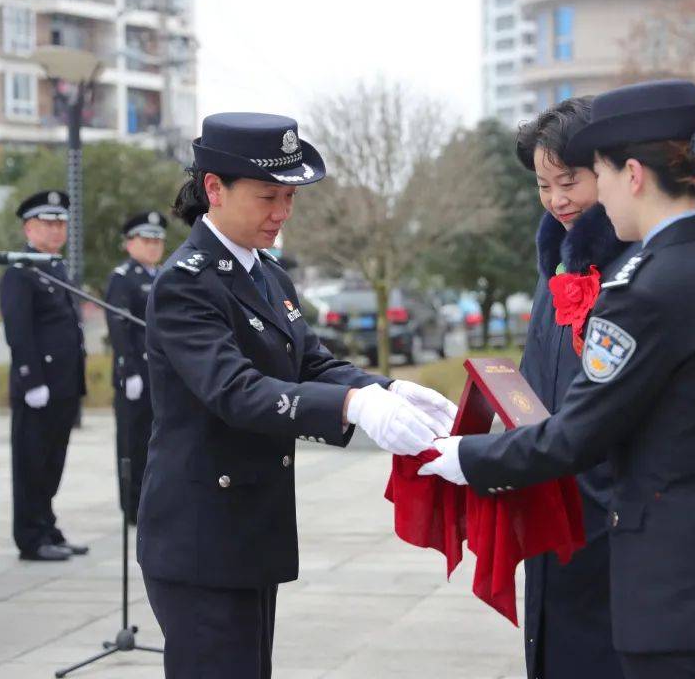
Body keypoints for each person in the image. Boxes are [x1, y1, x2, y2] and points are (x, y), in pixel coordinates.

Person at [420, 80, 695, 679]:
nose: (585, 197)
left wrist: (466, 455)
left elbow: (578, 434)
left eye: (595, 174)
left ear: (634, 175)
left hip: (671, 589)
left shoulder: (642, 289)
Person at [137, 112, 457, 679]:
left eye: (289, 198)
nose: (281, 214)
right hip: (201, 536)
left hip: (249, 528)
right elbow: (234, 391)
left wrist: (385, 388)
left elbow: (312, 361)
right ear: (214, 189)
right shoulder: (186, 282)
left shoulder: (267, 275)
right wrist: (352, 408)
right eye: (267, 197)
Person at [514, 98, 629, 679]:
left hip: (605, 508)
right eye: (543, 185)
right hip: (549, 495)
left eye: (569, 182)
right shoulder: (553, 262)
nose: (557, 200)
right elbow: (536, 372)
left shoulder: (632, 266)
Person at [0, 190, 88, 561]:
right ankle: (31, 538)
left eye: (61, 223)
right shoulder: (21, 273)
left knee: (52, 463)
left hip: (63, 385)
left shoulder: (54, 267)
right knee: (32, 463)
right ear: (28, 228)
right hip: (39, 387)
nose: (56, 230)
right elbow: (19, 333)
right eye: (48, 224)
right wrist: (31, 380)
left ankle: (47, 525)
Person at [104, 211, 167, 524]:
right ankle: (132, 506)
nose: (154, 246)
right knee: (132, 443)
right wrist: (127, 370)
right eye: (147, 240)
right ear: (129, 244)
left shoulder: (163, 275)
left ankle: (153, 502)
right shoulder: (123, 277)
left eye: (158, 240)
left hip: (160, 376)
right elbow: (118, 328)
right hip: (136, 375)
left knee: (158, 443)